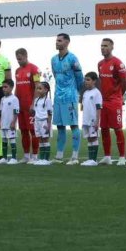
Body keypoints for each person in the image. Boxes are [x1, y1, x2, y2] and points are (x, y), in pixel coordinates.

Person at [51, 33, 84, 164]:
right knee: (60, 126)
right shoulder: (53, 59)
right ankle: (59, 156)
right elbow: (55, 76)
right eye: (56, 40)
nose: (57, 42)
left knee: (74, 125)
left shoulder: (72, 58)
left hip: (70, 96)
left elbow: (80, 78)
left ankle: (75, 157)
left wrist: (77, 93)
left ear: (67, 42)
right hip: (58, 97)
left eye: (59, 40)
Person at [97, 39, 126, 165]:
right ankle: (107, 156)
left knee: (117, 128)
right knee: (104, 128)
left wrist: (118, 95)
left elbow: (124, 82)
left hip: (114, 101)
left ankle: (122, 157)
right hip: (103, 101)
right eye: (101, 46)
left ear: (112, 47)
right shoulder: (100, 64)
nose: (103, 48)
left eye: (105, 46)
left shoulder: (118, 63)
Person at [14, 48, 41, 163]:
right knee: (23, 131)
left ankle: (35, 156)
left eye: (20, 59)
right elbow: (17, 87)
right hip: (20, 106)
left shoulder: (34, 69)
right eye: (17, 59)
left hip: (30, 106)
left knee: (33, 131)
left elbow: (38, 87)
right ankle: (26, 156)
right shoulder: (17, 71)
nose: (19, 61)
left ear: (26, 56)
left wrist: (33, 104)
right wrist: (15, 102)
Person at [79, 72, 103, 167]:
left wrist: (97, 121)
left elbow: (98, 108)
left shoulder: (97, 93)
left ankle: (94, 160)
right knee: (89, 139)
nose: (86, 82)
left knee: (93, 138)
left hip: (93, 120)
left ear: (94, 81)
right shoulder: (85, 93)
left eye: (88, 80)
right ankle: (90, 159)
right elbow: (83, 107)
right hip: (86, 120)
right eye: (85, 80)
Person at [0, 79, 20, 164]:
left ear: (11, 87)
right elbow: (1, 112)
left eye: (6, 87)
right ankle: (4, 158)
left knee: (12, 140)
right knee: (4, 140)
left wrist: (13, 122)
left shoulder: (14, 99)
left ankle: (14, 158)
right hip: (3, 123)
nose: (3, 89)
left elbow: (16, 111)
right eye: (3, 87)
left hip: (10, 124)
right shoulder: (2, 99)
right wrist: (0, 122)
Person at [31, 82, 53, 165]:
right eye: (37, 88)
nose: (38, 90)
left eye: (40, 88)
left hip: (44, 122)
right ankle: (41, 158)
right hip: (37, 121)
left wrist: (48, 125)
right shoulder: (36, 100)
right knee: (40, 140)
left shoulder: (47, 100)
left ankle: (46, 160)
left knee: (45, 140)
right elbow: (35, 111)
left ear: (46, 90)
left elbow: (49, 113)